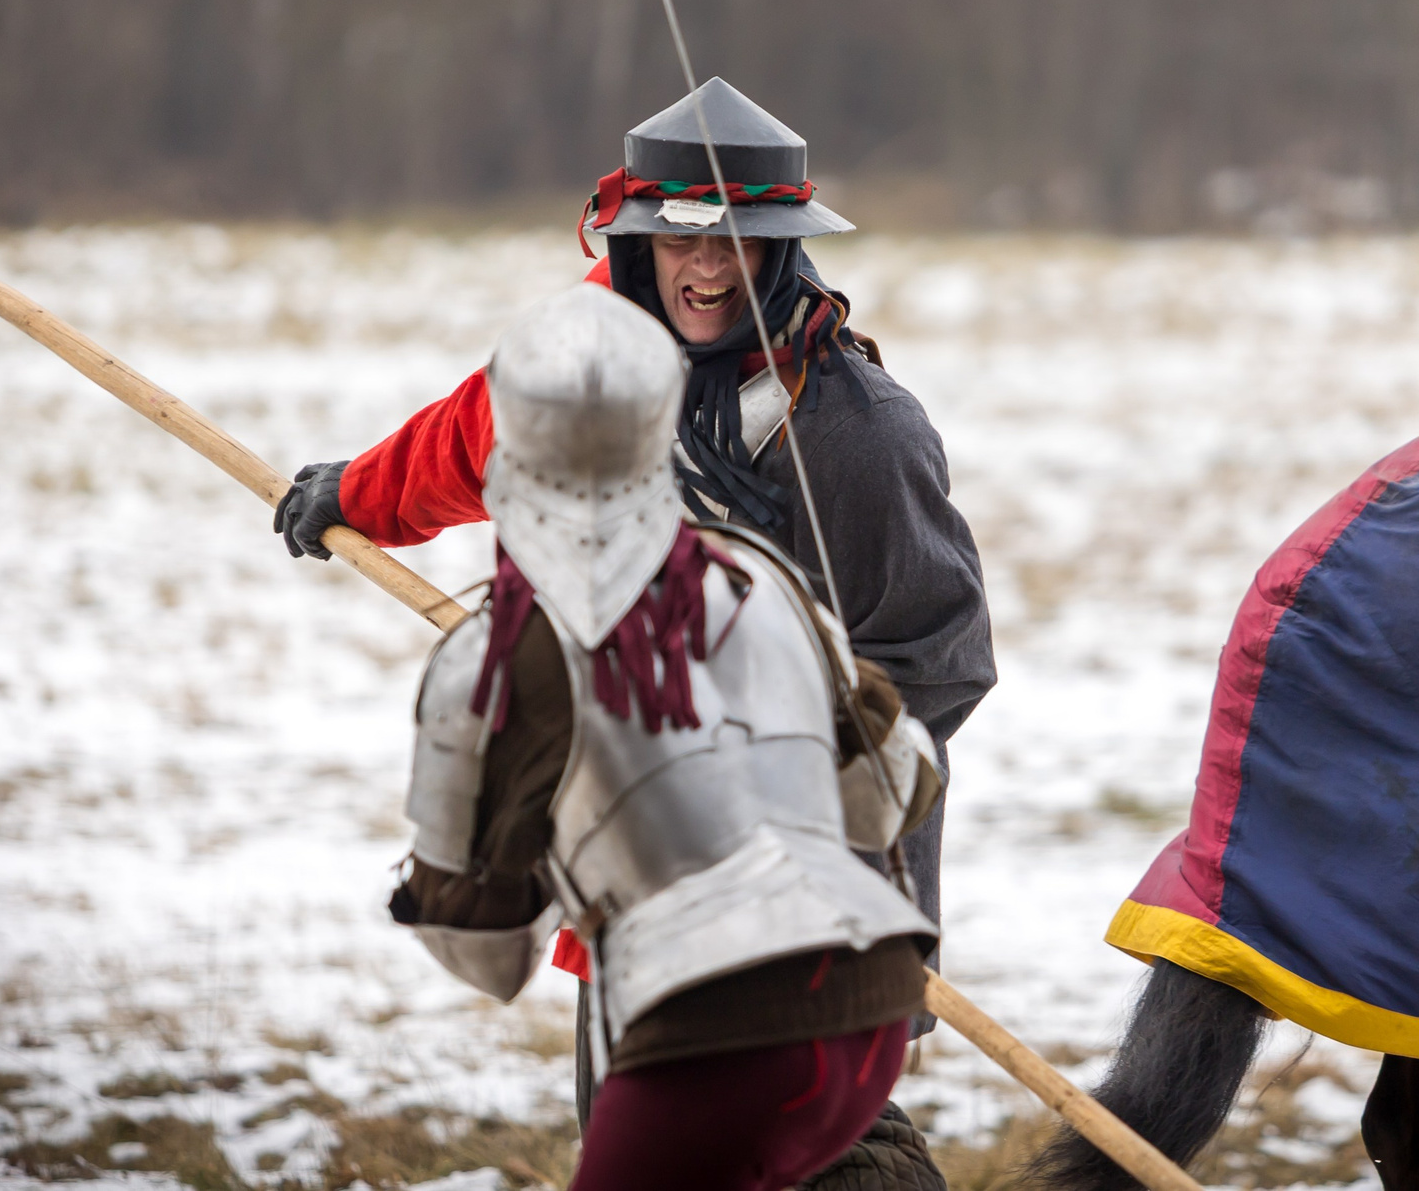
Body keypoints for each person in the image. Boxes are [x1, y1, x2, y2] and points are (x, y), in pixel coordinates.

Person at [276, 78, 995, 1187]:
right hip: (632, 905)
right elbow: (478, 431)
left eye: (738, 247)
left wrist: (773, 756)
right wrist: (356, 496)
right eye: (678, 243)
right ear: (634, 245)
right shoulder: (598, 383)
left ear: (782, 253)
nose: (706, 270)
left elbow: (937, 661)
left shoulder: (855, 434)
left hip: (816, 896)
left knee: (803, 1154)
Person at [386, 283, 942, 1190]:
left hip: (709, 1034)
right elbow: (894, 785)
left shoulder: (492, 657)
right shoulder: (762, 575)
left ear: (510, 448)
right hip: (870, 996)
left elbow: (487, 954)